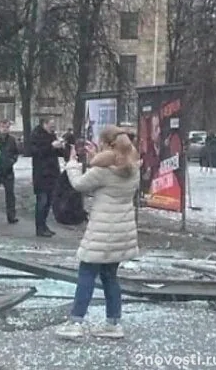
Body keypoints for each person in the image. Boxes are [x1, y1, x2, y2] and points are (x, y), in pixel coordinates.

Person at [55, 126, 140, 340]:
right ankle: (113, 324)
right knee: (110, 276)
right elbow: (110, 177)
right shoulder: (133, 167)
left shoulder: (103, 171)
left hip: (102, 231)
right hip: (122, 231)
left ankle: (75, 323)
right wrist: (96, 157)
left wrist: (72, 163)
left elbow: (79, 184)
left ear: (107, 144)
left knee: (86, 274)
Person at [30, 118, 64, 237]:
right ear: (44, 124)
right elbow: (36, 152)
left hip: (52, 173)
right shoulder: (36, 136)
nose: (53, 127)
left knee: (49, 201)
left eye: (54, 125)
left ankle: (44, 225)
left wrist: (60, 147)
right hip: (41, 174)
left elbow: (58, 153)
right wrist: (51, 146)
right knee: (42, 201)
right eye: (51, 125)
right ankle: (39, 228)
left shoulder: (52, 135)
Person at [0, 119, 19, 224]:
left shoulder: (12, 140)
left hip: (8, 171)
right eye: (3, 127)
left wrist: (12, 161)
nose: (5, 129)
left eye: (7, 127)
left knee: (10, 195)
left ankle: (11, 216)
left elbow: (16, 153)